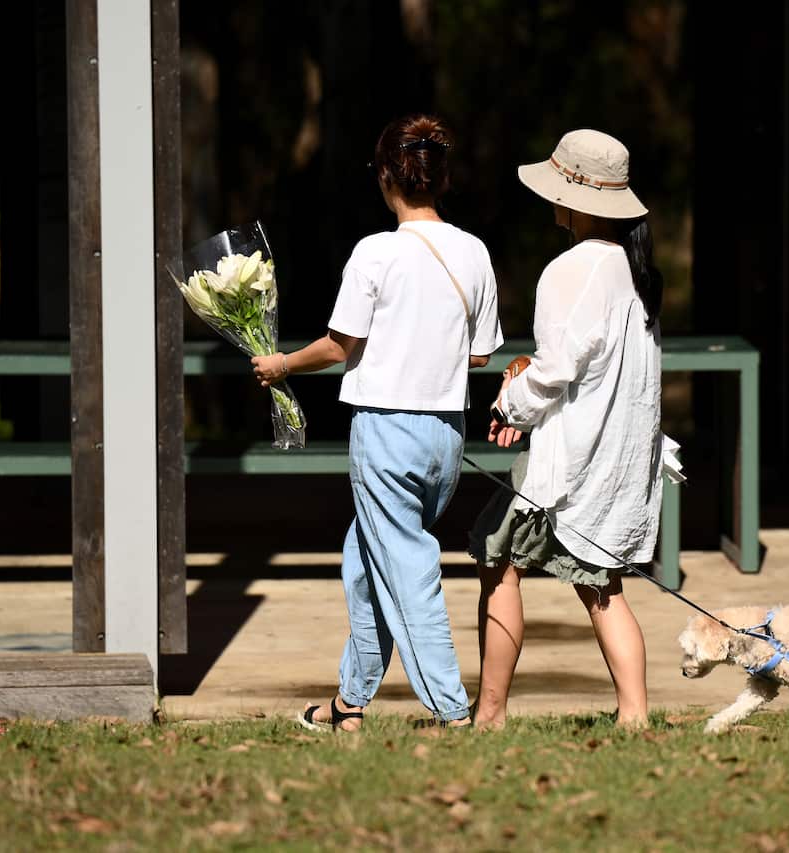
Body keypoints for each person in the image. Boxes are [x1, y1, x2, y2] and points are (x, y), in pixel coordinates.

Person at [252, 114, 503, 731]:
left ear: (387, 176)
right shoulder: (473, 252)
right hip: (445, 435)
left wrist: (281, 365)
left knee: (408, 568)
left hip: (386, 432)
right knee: (366, 562)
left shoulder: (376, 252)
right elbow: (480, 353)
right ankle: (349, 704)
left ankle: (451, 712)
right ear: (440, 178)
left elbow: (341, 345)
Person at [470, 129, 665, 730]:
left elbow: (559, 367)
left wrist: (510, 406)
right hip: (614, 457)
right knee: (602, 588)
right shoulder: (637, 271)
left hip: (568, 459)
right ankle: (635, 716)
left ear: (577, 200)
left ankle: (491, 714)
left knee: (496, 559)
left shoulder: (570, 270)